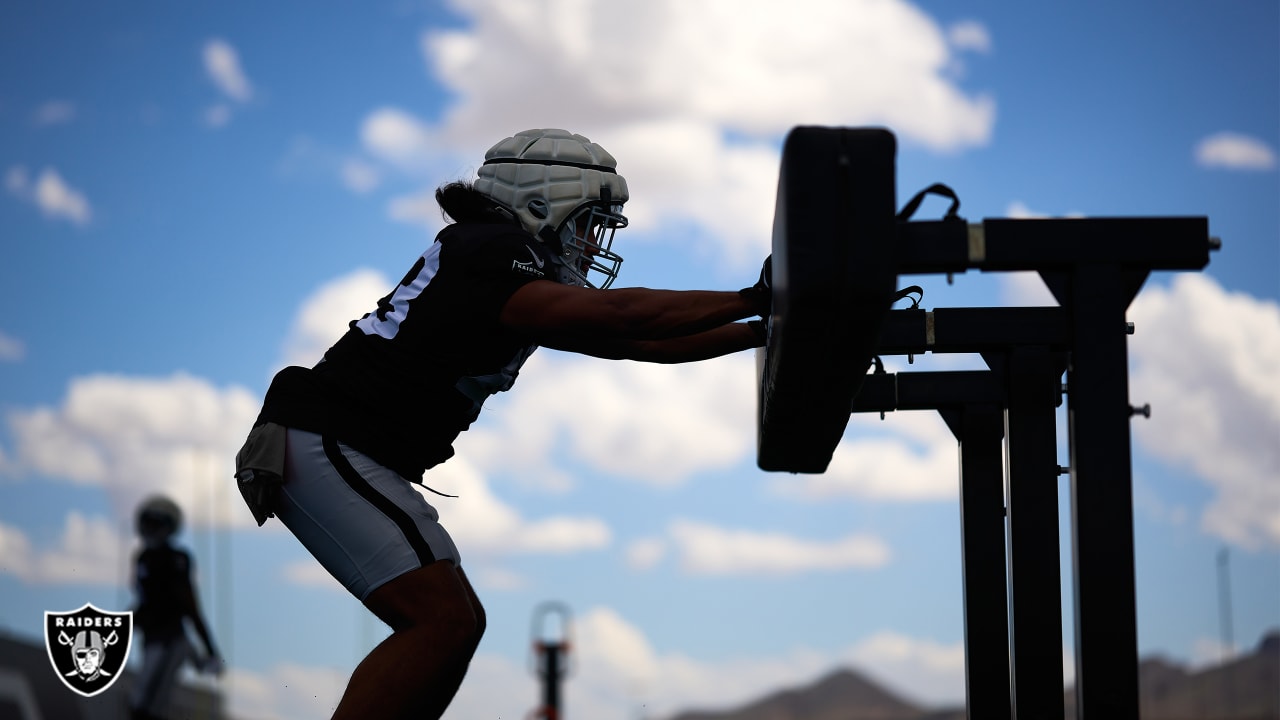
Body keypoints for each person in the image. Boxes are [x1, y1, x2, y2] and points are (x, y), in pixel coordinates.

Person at [234, 128, 771, 720]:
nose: (591, 245)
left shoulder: (497, 262)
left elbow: (640, 342)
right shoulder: (493, 249)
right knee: (441, 621)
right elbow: (623, 317)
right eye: (588, 222)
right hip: (324, 438)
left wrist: (761, 328)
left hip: (340, 444)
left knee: (458, 623)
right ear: (543, 203)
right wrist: (755, 296)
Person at [129, 495, 223, 720]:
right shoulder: (143, 558)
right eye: (148, 523)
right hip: (152, 638)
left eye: (156, 524)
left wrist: (210, 649)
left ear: (169, 527)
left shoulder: (176, 559)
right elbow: (146, 604)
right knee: (142, 701)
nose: (150, 529)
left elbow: (188, 605)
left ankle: (200, 659)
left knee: (148, 704)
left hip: (171, 639)